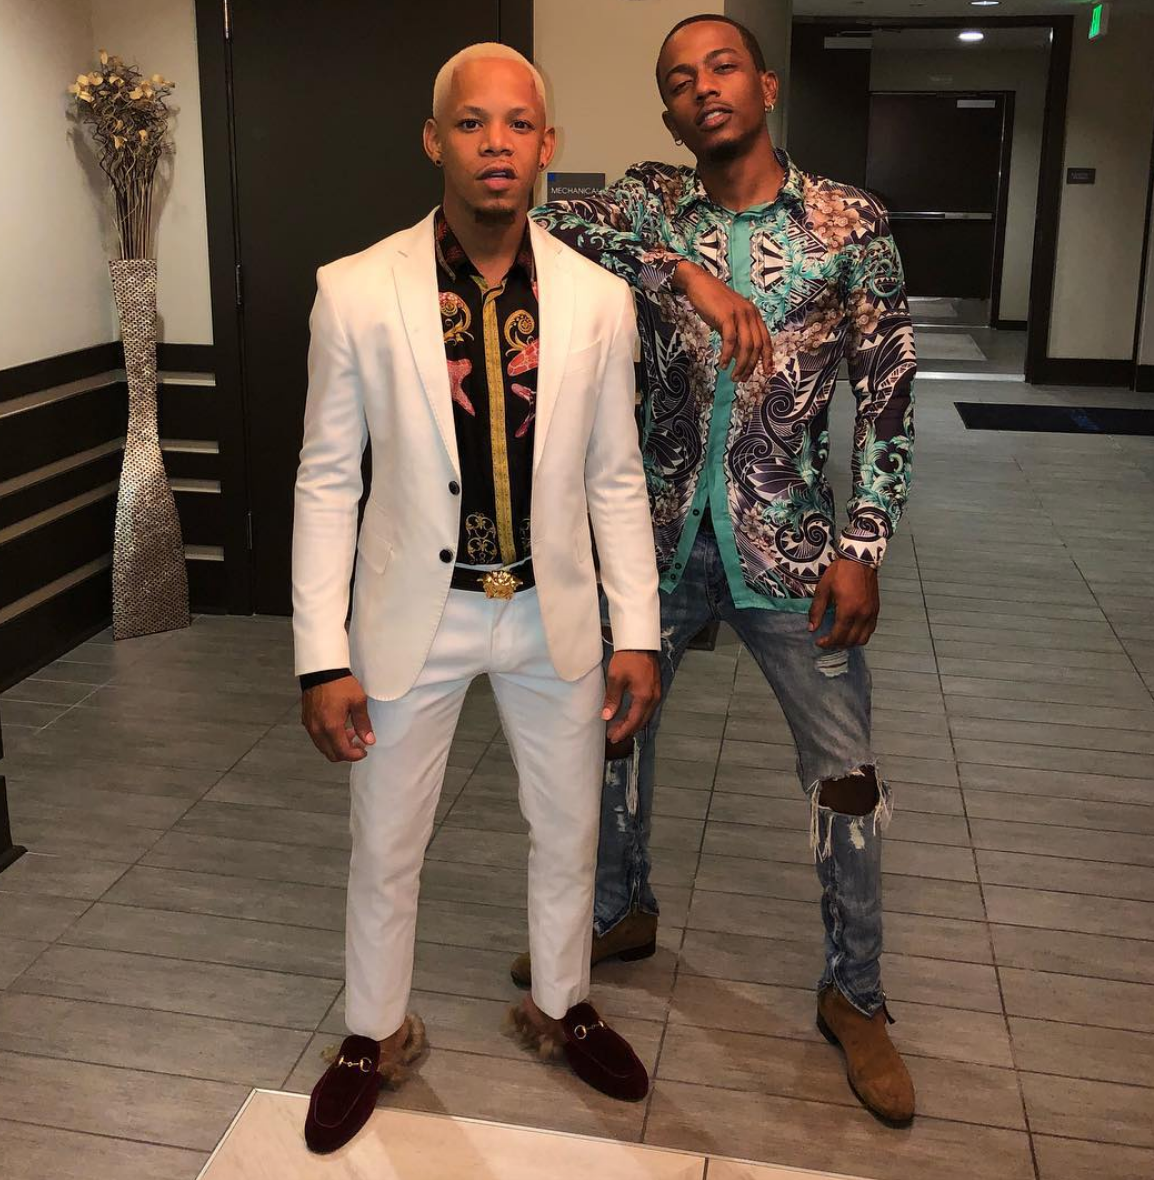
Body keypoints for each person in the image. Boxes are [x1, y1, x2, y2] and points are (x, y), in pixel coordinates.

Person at [515, 14, 918, 1125]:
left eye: (723, 66)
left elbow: (886, 398)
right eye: (681, 79)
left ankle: (855, 995)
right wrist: (685, 273)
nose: (704, 87)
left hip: (789, 545)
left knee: (844, 775)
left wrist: (863, 545)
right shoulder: (651, 204)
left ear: (766, 86)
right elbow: (542, 220)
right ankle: (617, 911)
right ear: (668, 112)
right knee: (610, 732)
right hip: (653, 542)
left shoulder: (849, 224)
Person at [292, 42, 662, 1154]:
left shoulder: (599, 301)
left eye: (517, 124)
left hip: (553, 615)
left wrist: (637, 631)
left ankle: (562, 1002)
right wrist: (321, 655)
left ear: (547, 146)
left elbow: (615, 477)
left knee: (570, 828)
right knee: (386, 838)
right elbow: (326, 479)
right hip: (416, 614)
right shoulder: (354, 290)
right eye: (471, 122)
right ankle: (371, 1031)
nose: (495, 143)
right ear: (434, 140)